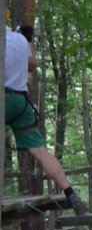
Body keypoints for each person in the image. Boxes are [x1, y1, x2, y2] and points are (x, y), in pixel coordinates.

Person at [5, 25, 86, 215]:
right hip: (20, 102)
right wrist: (27, 41)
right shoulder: (20, 40)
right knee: (40, 151)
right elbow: (32, 65)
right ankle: (70, 193)